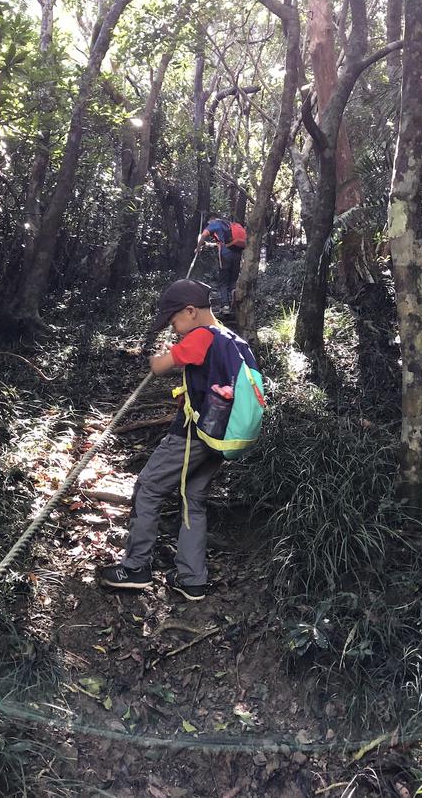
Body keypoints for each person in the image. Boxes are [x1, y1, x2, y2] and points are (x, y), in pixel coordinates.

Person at [98, 279, 259, 602]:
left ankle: (135, 568)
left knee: (148, 487)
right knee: (193, 497)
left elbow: (159, 366)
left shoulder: (201, 336)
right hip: (219, 437)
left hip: (191, 435)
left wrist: (157, 355)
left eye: (174, 322)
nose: (174, 330)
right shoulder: (233, 340)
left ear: (190, 311)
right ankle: (192, 579)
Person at [196, 213, 243, 314]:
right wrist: (207, 244)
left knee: (223, 281)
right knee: (233, 281)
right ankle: (234, 297)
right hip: (237, 255)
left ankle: (225, 306)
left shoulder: (214, 224)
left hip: (225, 256)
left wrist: (198, 247)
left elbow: (204, 235)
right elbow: (221, 243)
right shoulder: (229, 224)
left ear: (211, 219)